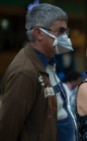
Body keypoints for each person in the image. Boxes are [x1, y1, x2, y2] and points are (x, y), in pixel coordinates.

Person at [0, 3, 75, 141]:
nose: (66, 37)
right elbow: (8, 129)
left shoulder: (48, 62)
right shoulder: (24, 73)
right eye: (60, 31)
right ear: (39, 33)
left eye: (66, 31)